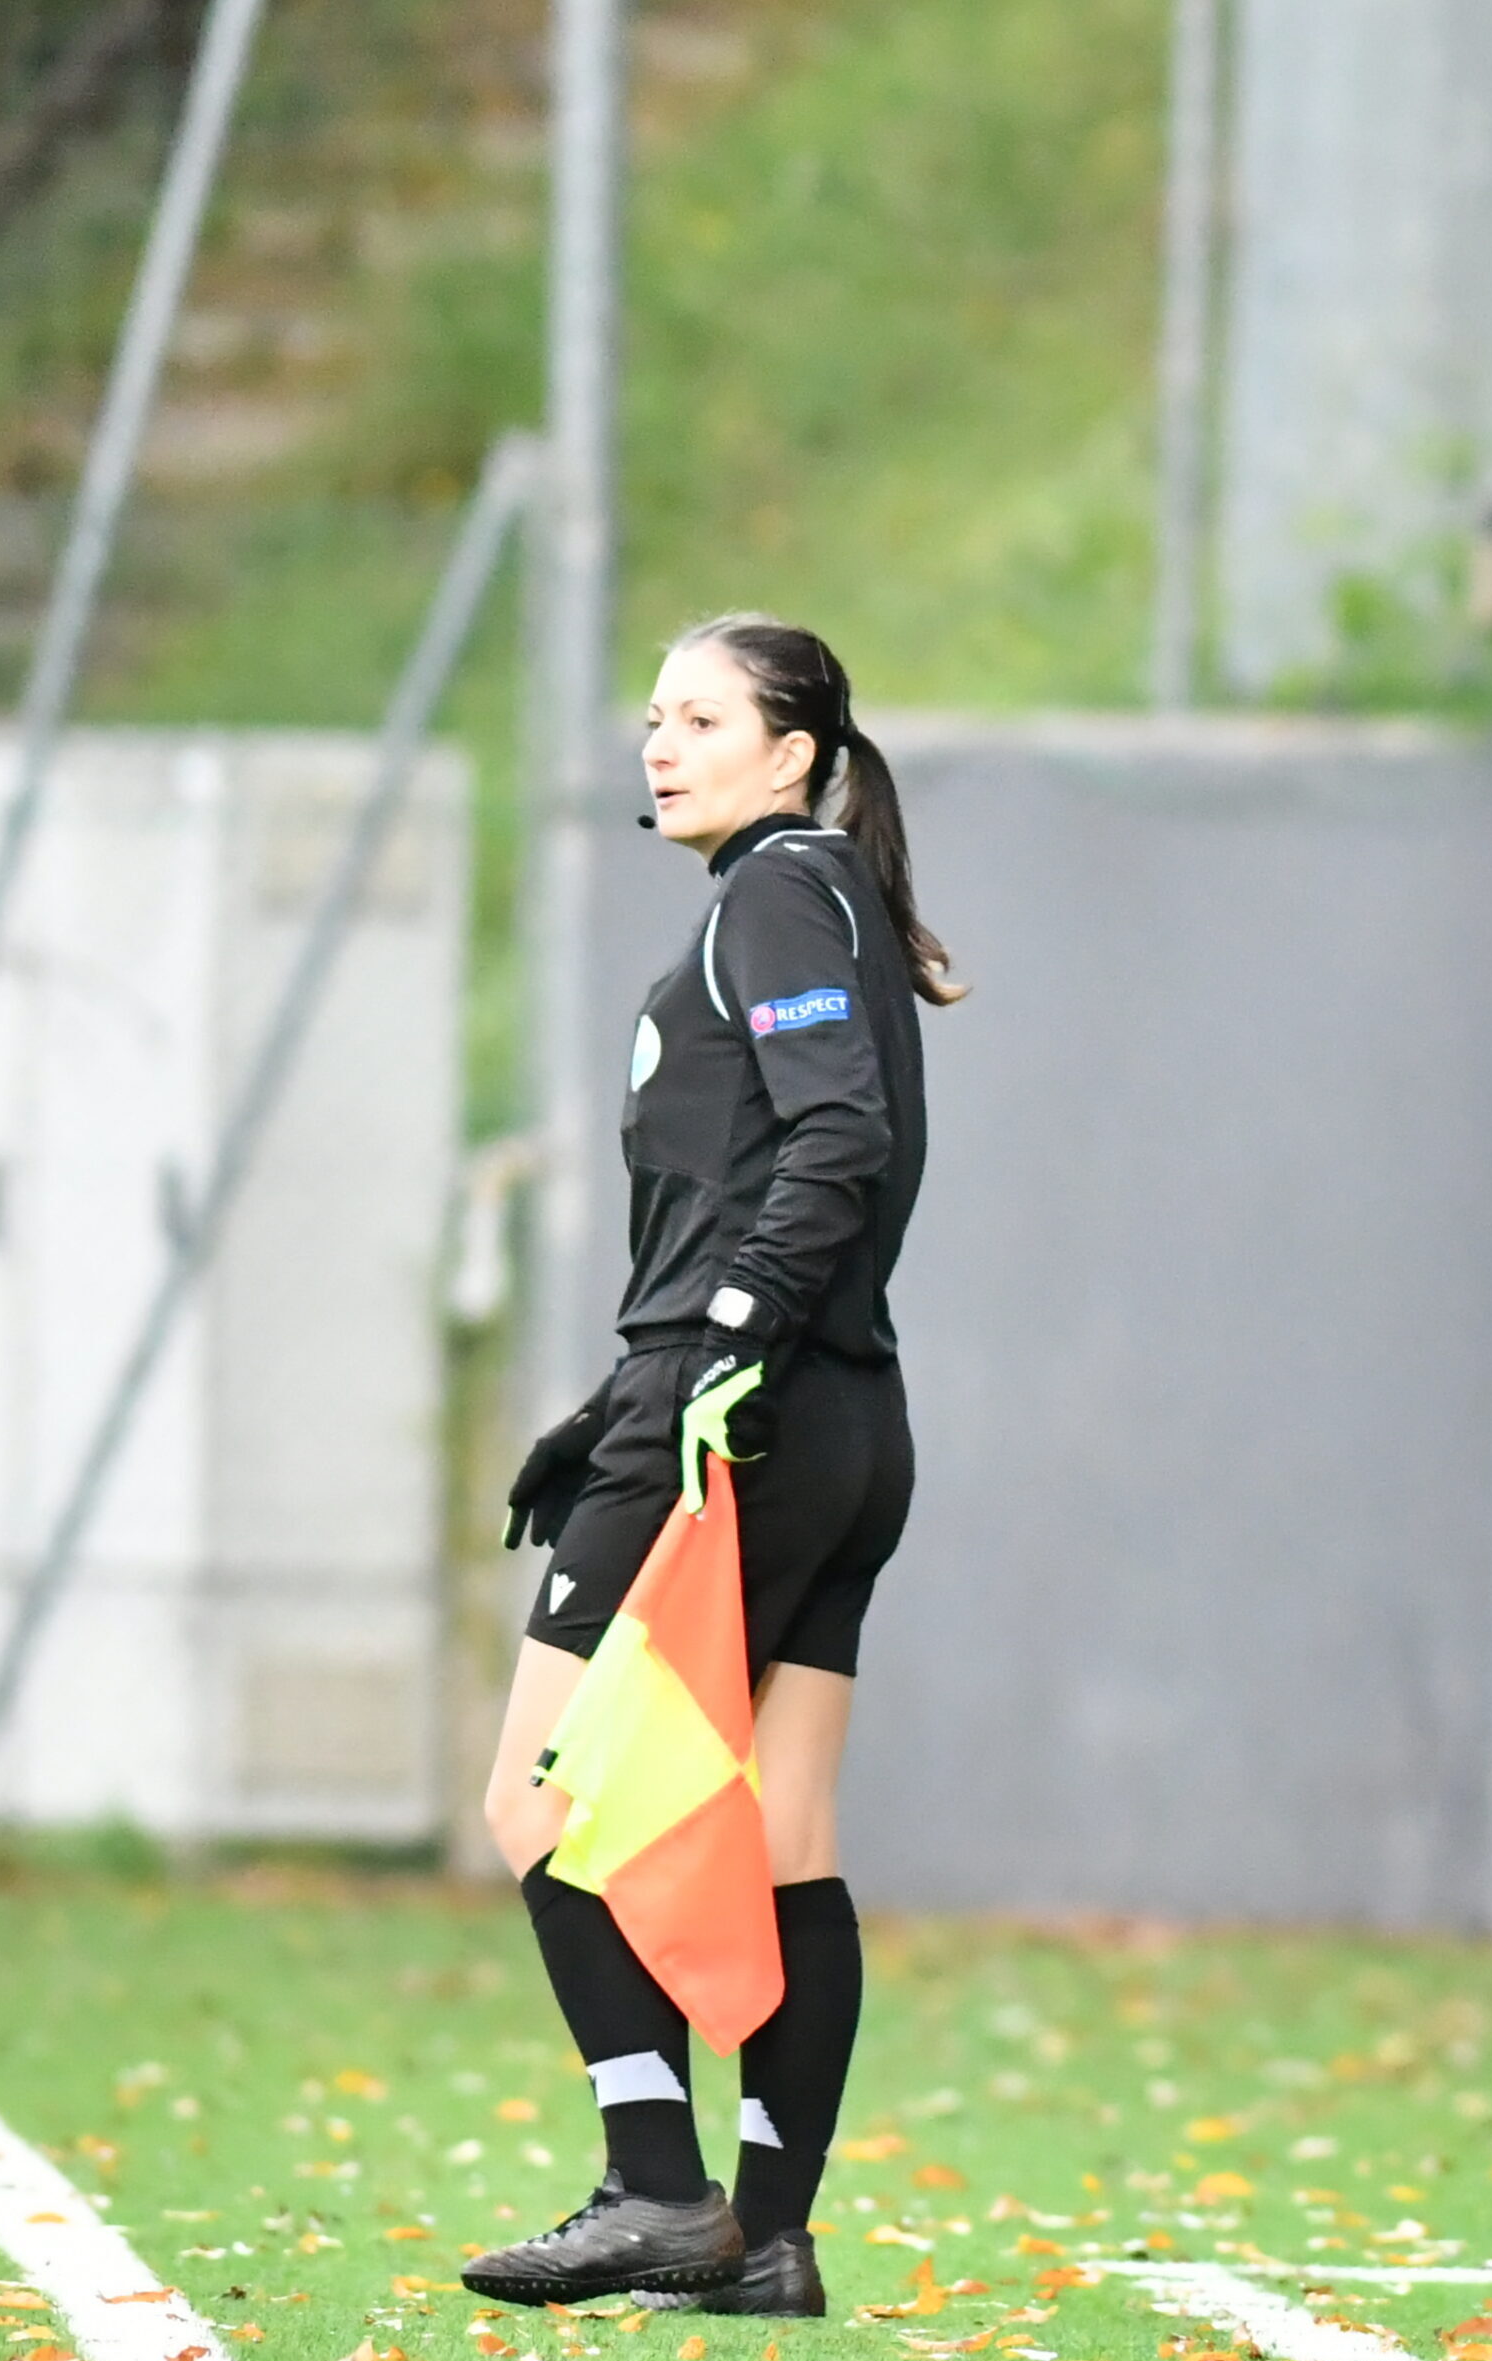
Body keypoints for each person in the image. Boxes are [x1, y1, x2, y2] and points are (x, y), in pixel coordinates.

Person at [464, 613, 963, 2318]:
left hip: (741, 1409)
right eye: (653, 718)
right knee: (786, 1834)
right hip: (839, 1418)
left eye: (701, 717)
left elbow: (837, 1136)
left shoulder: (772, 890)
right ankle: (765, 2235)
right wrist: (611, 1400)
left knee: (538, 1798)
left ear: (794, 751)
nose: (661, 744)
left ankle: (655, 2187)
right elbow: (764, 1171)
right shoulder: (816, 897)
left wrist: (718, 1338)